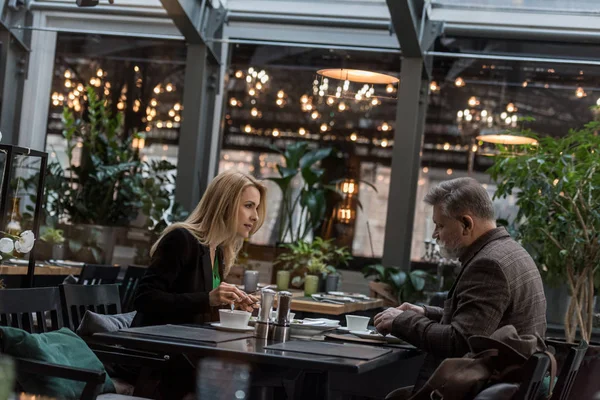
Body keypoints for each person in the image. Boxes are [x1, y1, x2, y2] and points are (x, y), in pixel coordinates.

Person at [374, 177, 546, 394]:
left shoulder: (489, 264)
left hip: (485, 389)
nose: (435, 234)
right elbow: (480, 323)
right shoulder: (511, 251)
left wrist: (403, 321)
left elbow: (461, 342)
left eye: (440, 225)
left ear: (466, 223)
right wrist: (425, 312)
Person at [132, 170, 267, 327]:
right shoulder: (181, 239)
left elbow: (200, 310)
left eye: (256, 208)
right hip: (158, 345)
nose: (255, 216)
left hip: (191, 344)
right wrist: (209, 299)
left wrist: (230, 304)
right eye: (248, 206)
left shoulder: (218, 250)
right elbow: (144, 299)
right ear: (224, 204)